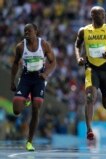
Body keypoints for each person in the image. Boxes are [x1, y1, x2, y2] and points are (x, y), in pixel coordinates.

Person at [75, 6, 106, 140]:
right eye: (100, 15)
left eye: (104, 15)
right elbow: (77, 45)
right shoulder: (84, 31)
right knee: (90, 96)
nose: (103, 17)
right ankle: (89, 129)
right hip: (91, 68)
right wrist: (79, 57)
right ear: (92, 16)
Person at [10, 23, 56, 151]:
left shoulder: (44, 44)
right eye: (25, 31)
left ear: (36, 31)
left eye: (29, 31)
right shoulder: (20, 47)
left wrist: (46, 73)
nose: (26, 33)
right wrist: (12, 82)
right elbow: (15, 64)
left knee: (36, 108)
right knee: (17, 110)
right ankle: (27, 96)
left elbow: (53, 62)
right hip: (25, 78)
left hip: (39, 78)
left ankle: (29, 141)